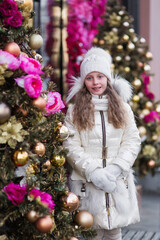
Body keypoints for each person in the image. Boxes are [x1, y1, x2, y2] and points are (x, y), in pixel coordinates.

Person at [63, 47, 141, 240]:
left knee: (115, 231)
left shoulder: (122, 108)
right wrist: (94, 171)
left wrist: (115, 168)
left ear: (108, 78)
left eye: (100, 76)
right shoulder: (74, 112)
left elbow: (131, 141)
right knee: (92, 231)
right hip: (87, 183)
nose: (96, 82)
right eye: (90, 77)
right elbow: (71, 146)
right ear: (83, 81)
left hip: (117, 181)